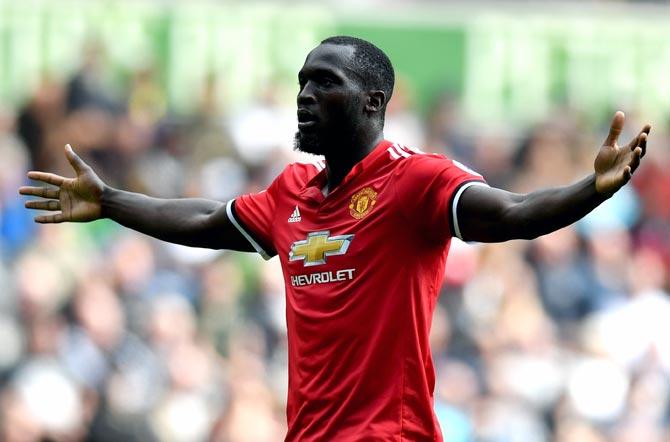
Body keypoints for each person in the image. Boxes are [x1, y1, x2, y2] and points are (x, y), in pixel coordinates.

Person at [19, 36, 650, 441]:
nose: (305, 96)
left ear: (374, 102)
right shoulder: (291, 192)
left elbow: (510, 212)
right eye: (301, 82)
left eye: (325, 83)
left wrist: (588, 192)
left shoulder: (415, 180)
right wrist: (110, 202)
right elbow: (207, 220)